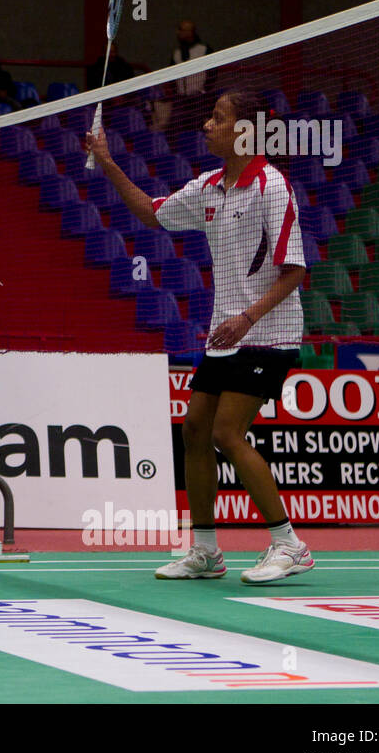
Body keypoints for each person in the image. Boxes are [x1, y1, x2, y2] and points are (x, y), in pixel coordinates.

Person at [86, 89, 312, 585]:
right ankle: (206, 551)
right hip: (223, 334)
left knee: (226, 434)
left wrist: (249, 318)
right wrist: (105, 160)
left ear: (246, 131)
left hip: (267, 331)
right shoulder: (208, 187)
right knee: (193, 432)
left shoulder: (272, 186)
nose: (207, 126)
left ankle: (288, 544)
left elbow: (296, 270)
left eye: (218, 118)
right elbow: (151, 211)